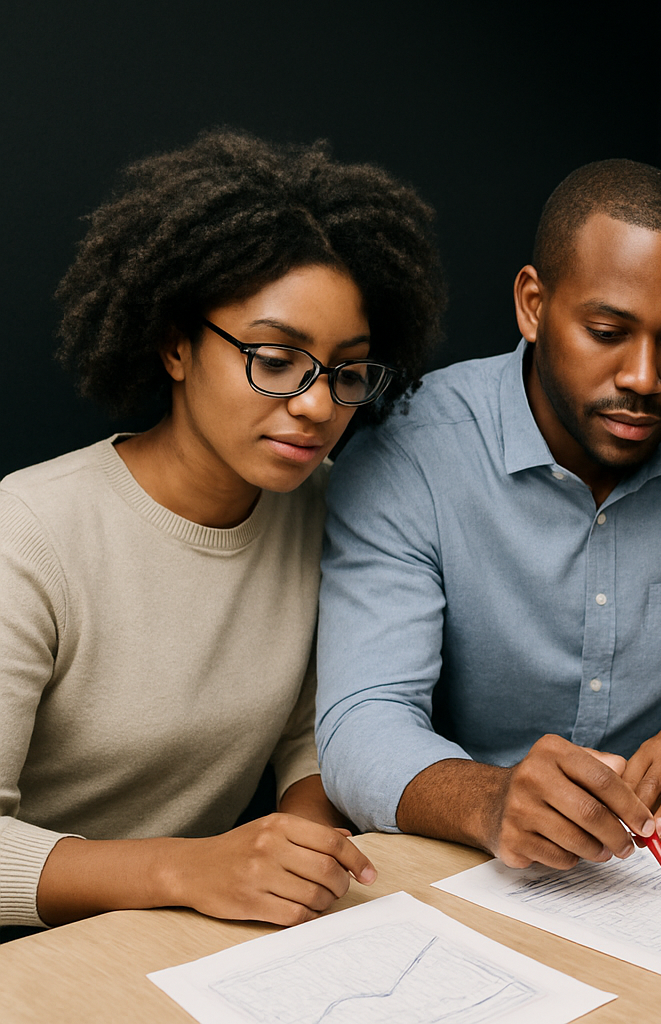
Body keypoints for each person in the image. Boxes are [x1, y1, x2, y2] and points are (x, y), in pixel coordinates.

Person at [0, 130, 447, 932]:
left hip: (202, 933)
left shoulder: (328, 507)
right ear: (176, 345)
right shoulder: (27, 534)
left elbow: (315, 732)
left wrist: (302, 853)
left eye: (346, 372)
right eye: (276, 359)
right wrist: (189, 865)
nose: (317, 405)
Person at [316, 159, 661, 873]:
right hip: (464, 859)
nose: (644, 377)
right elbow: (363, 720)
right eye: (608, 331)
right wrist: (490, 799)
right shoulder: (408, 453)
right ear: (533, 304)